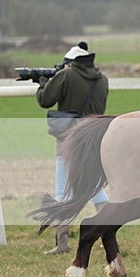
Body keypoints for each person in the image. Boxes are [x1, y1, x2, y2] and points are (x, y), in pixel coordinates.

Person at [36, 41, 109, 254]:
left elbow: (45, 100)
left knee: (63, 193)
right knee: (97, 192)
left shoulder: (67, 76)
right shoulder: (103, 79)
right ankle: (108, 236)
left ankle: (62, 243)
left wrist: (43, 82)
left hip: (69, 142)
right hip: (94, 142)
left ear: (70, 62)